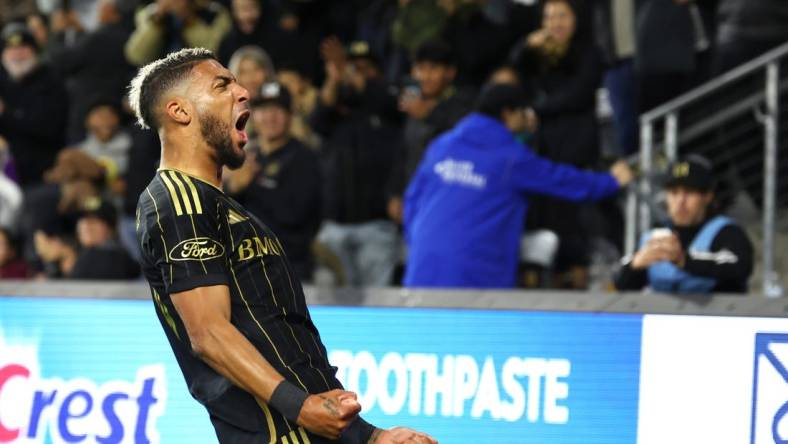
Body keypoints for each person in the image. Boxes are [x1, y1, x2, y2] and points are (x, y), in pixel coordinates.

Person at [130, 48, 436, 444]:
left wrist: (372, 436)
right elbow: (209, 334)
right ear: (180, 111)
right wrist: (303, 408)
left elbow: (290, 348)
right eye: (223, 84)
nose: (244, 93)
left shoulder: (228, 209)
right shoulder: (178, 200)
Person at [403, 83, 633, 288]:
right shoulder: (510, 158)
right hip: (476, 279)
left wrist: (422, 244)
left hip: (422, 271)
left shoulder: (442, 146)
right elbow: (563, 180)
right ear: (508, 114)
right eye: (524, 113)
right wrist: (611, 181)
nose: (528, 119)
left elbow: (411, 202)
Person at [224, 82, 322, 282]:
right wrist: (231, 188)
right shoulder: (243, 155)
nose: (270, 117)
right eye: (263, 110)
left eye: (277, 110)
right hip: (243, 266)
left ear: (289, 115)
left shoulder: (304, 157)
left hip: (288, 267)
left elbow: (294, 215)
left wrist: (252, 184)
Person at [615, 155, 754, 293]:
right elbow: (621, 283)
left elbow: (739, 268)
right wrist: (635, 265)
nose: (681, 201)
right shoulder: (655, 234)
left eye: (689, 192)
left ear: (707, 197)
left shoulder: (726, 231)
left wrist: (683, 260)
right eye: (674, 193)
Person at [0, 22, 68, 187]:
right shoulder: (3, 82)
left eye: (23, 48)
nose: (17, 54)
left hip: (42, 173)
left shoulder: (50, 80)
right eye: (11, 50)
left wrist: (6, 114)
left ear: (35, 51)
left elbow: (47, 128)